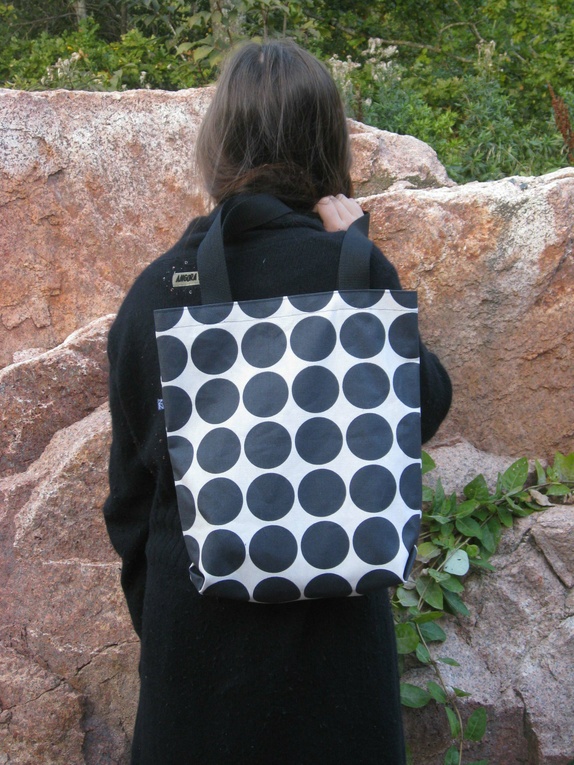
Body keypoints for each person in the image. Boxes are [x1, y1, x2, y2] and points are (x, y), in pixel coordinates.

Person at [103, 39, 452, 765]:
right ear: (326, 141)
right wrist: (360, 262)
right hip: (340, 678)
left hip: (195, 677)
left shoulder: (158, 293)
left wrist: (165, 628)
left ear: (219, 142)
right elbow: (422, 404)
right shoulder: (349, 271)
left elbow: (129, 504)